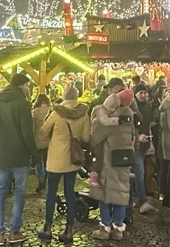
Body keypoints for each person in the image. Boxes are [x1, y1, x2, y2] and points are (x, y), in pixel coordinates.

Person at [0, 73, 36, 245]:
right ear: (21, 85)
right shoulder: (23, 104)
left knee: (1, 191)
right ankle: (14, 231)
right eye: (27, 85)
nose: (28, 88)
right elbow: (27, 133)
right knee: (19, 193)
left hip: (1, 154)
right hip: (19, 155)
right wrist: (35, 154)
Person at [37, 84, 90, 244]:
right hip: (73, 161)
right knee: (70, 192)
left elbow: (43, 131)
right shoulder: (84, 114)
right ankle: (69, 230)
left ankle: (47, 228)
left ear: (65, 96)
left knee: (51, 192)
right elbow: (87, 138)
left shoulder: (56, 112)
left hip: (55, 159)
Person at [89, 90, 136, 241]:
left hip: (109, 161)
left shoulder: (114, 119)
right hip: (125, 160)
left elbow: (95, 135)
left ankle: (105, 227)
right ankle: (118, 228)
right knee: (121, 192)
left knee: (105, 193)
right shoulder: (129, 117)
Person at [89, 89, 133, 187]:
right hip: (97, 139)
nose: (112, 110)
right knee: (98, 158)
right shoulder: (100, 110)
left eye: (114, 108)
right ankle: (93, 176)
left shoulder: (108, 110)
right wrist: (119, 120)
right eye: (111, 107)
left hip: (102, 138)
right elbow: (105, 122)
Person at [131, 84, 156, 213]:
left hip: (144, 143)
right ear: (135, 94)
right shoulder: (131, 107)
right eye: (141, 93)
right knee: (139, 171)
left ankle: (134, 196)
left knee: (137, 171)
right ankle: (141, 200)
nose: (144, 95)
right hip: (135, 144)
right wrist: (137, 136)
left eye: (145, 93)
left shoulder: (148, 106)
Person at [32, 93, 52, 194]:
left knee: (37, 162)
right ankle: (45, 177)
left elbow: (32, 128)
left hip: (37, 141)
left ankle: (40, 178)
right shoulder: (52, 111)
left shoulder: (34, 113)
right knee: (47, 162)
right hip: (49, 141)